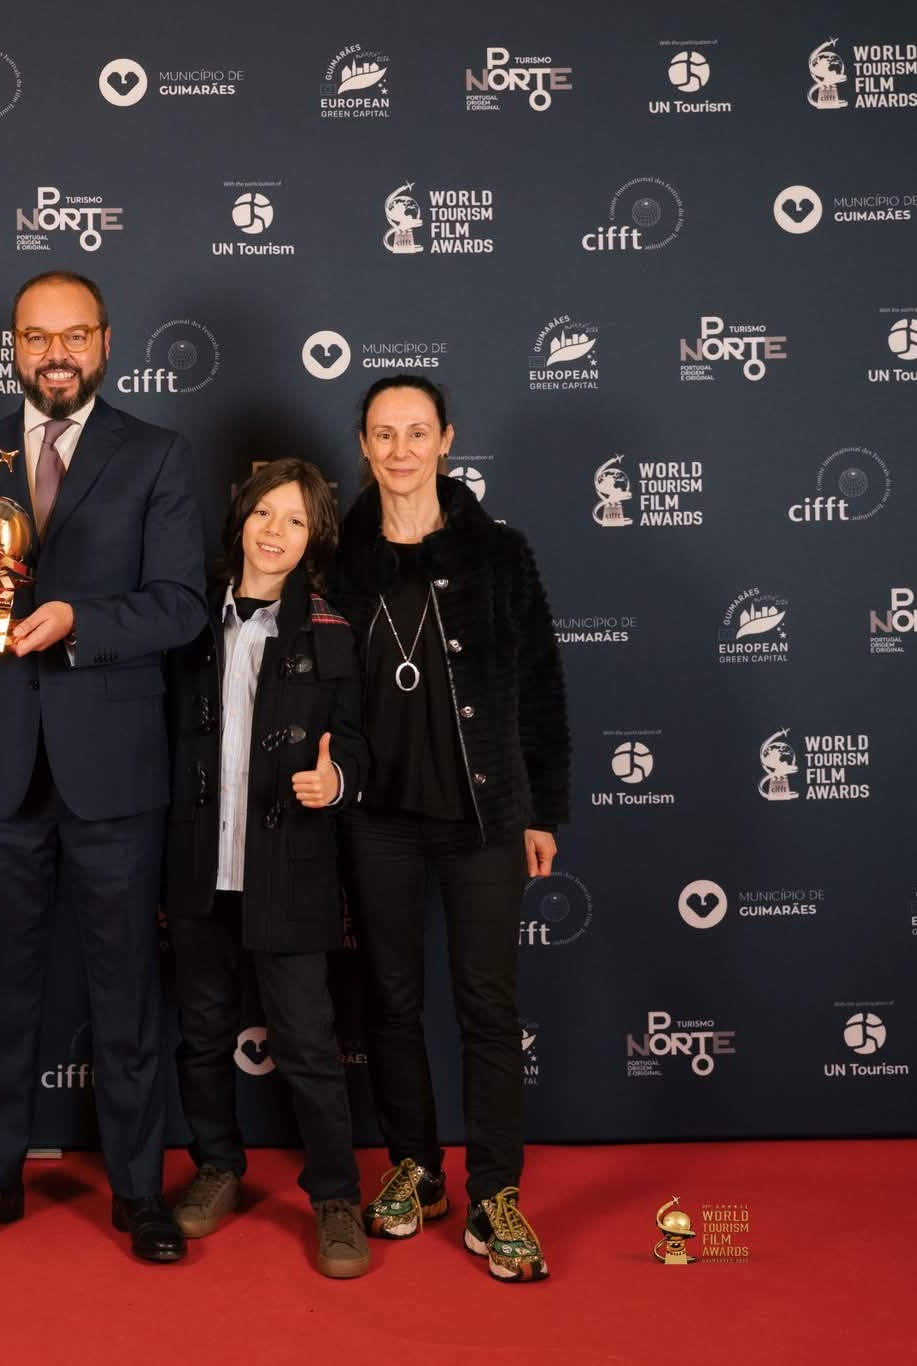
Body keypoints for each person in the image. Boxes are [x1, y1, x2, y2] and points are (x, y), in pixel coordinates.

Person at [0, 270, 206, 1263]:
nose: (55, 355)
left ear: (106, 343)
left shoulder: (156, 454)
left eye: (74, 335)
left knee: (126, 992)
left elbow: (179, 603)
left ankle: (139, 1193)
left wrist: (80, 619)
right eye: (36, 337)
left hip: (113, 765)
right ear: (13, 347)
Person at [331, 374, 569, 1282]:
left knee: (486, 1005)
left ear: (446, 440)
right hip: (377, 818)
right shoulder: (337, 558)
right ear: (364, 445)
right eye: (384, 433)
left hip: (483, 815)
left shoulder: (498, 554)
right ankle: (416, 1169)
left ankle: (496, 1193)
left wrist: (543, 810)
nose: (401, 450)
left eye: (417, 431)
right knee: (391, 1002)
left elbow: (541, 686)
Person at [162, 458, 372, 1278]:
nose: (274, 531)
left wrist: (336, 779)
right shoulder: (187, 620)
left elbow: (356, 742)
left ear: (314, 537)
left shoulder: (332, 630)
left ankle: (335, 1198)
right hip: (199, 864)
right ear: (240, 520)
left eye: (294, 519)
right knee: (201, 1035)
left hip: (290, 865)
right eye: (262, 513)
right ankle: (217, 1165)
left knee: (309, 1045)